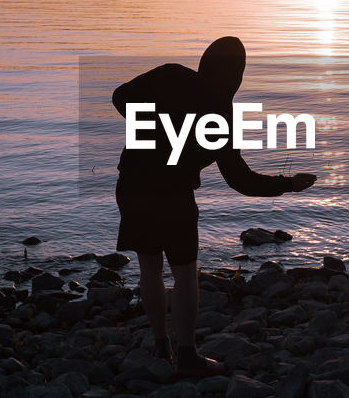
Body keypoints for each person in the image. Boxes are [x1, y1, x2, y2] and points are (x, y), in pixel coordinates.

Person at [112, 36, 316, 377]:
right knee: (184, 272)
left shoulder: (170, 74)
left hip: (133, 184)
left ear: (205, 62)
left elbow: (121, 96)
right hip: (174, 195)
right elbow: (241, 181)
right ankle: (188, 355)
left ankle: (161, 346)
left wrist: (147, 126)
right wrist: (288, 184)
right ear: (237, 75)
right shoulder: (222, 113)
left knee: (149, 268)